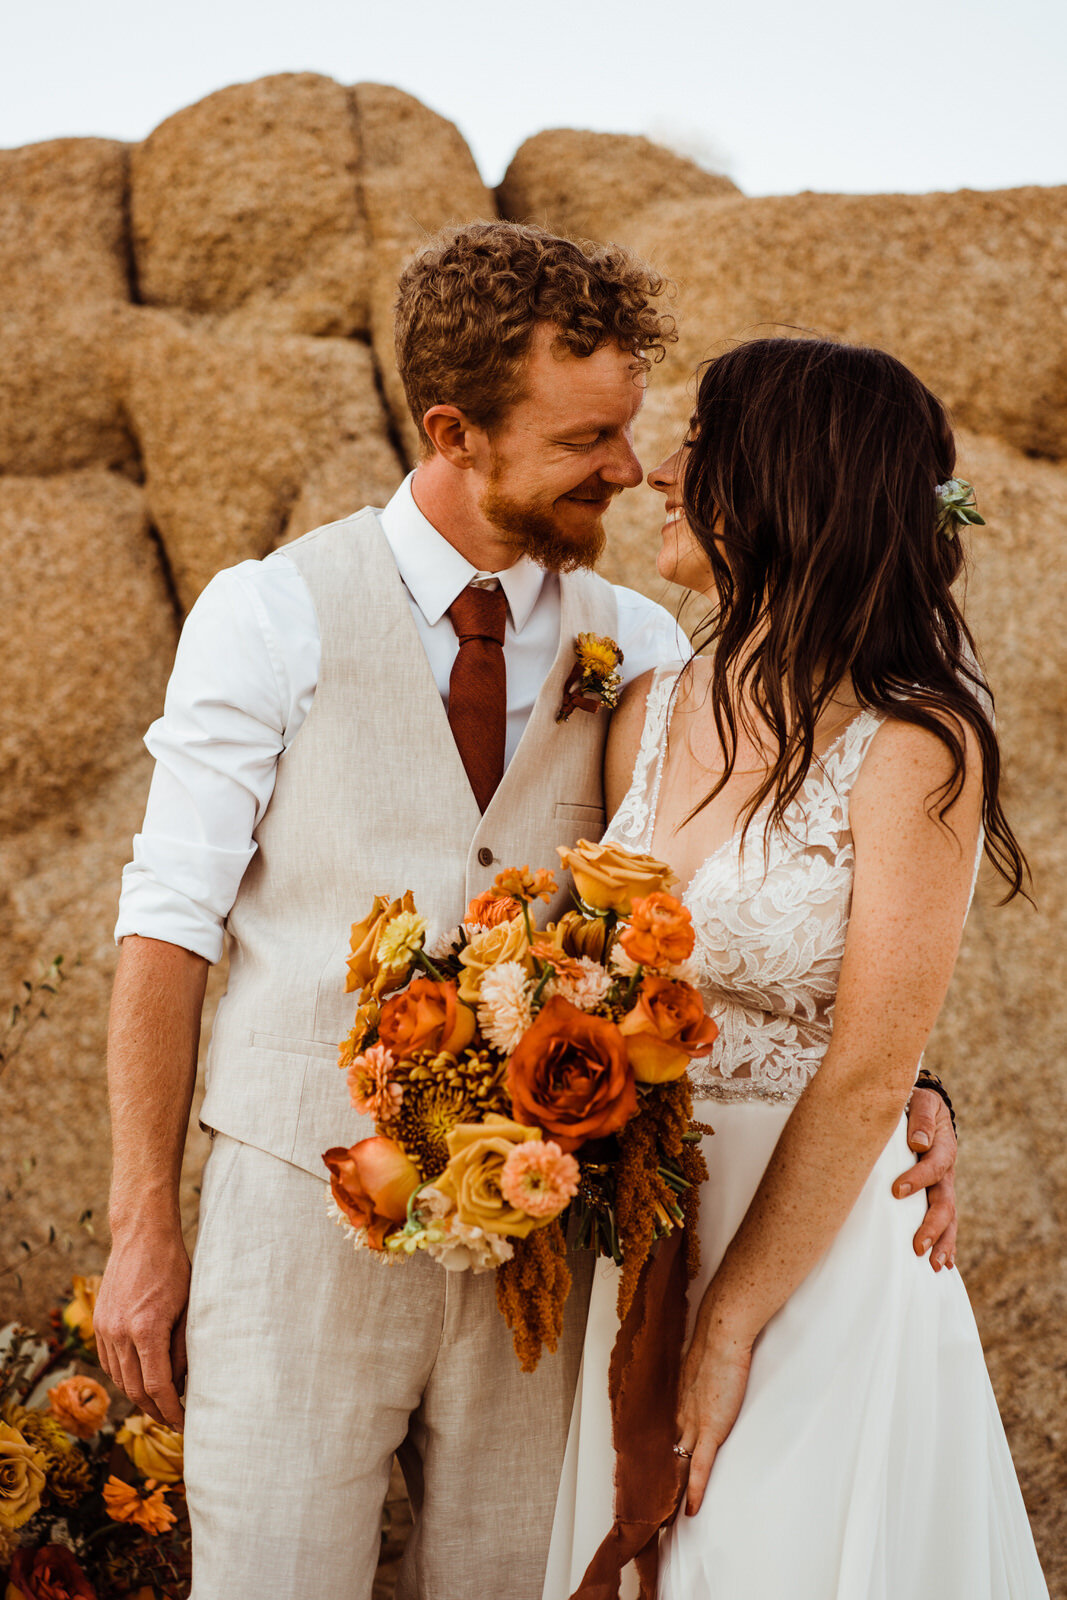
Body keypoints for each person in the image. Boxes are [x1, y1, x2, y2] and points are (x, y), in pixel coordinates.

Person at [92, 226, 957, 1600]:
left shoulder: (653, 649)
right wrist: (145, 1226)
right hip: (296, 1210)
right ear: (455, 431)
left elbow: (749, 887)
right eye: (585, 440)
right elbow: (168, 925)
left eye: (629, 431)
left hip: (550, 1258)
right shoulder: (270, 615)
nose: (626, 468)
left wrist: (904, 1080)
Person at [543, 338, 1047, 1599]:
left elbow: (872, 1060)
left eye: (697, 447)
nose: (659, 472)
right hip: (648, 1234)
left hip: (811, 1258)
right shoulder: (645, 708)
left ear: (780, 481)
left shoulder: (914, 747)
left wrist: (730, 1321)